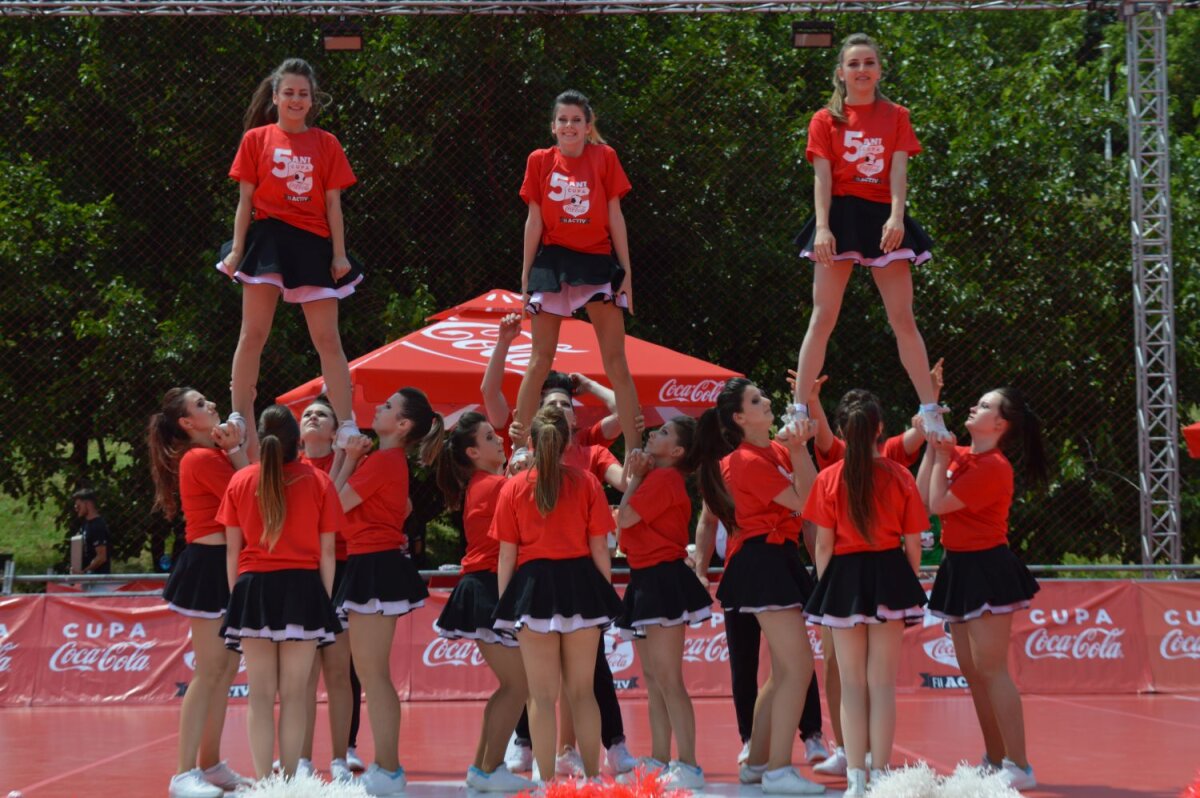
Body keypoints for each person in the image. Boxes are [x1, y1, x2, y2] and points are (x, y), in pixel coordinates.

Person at [788, 33, 947, 441]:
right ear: (840, 72)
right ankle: (798, 410)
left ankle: (931, 411)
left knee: (903, 318)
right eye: (854, 63)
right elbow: (821, 179)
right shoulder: (825, 119)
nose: (862, 70)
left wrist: (897, 218)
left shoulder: (896, 115)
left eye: (869, 62)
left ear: (879, 69)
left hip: (882, 218)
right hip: (840, 216)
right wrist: (822, 228)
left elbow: (898, 172)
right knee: (822, 316)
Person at [217, 57, 362, 459]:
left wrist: (338, 255)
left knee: (327, 338)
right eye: (290, 93)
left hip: (313, 243)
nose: (297, 100)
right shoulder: (256, 139)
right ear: (276, 97)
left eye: (304, 94)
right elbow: (245, 201)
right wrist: (237, 251)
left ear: (312, 101)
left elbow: (334, 205)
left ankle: (346, 423)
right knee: (253, 334)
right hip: (267, 242)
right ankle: (238, 417)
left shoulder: (327, 143)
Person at [694, 378, 824, 795]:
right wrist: (801, 449)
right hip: (761, 559)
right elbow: (808, 500)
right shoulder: (745, 460)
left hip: (777, 558)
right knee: (797, 667)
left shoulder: (776, 450)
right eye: (756, 400)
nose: (766, 401)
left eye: (763, 396)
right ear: (739, 417)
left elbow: (815, 493)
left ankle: (757, 761)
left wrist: (800, 444)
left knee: (786, 670)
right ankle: (778, 768)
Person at [918, 387, 1048, 792]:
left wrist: (941, 455)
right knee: (973, 673)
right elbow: (922, 497)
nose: (975, 406)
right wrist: (931, 435)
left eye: (986, 405)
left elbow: (938, 505)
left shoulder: (993, 466)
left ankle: (1020, 764)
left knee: (992, 669)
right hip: (957, 566)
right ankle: (993, 759)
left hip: (988, 567)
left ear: (1000, 424)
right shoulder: (960, 456)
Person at [802, 394, 928, 796]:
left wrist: (829, 590)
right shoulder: (900, 477)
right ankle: (882, 777)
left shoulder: (829, 478)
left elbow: (823, 545)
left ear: (840, 431)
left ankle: (856, 778)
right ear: (879, 429)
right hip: (889, 572)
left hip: (844, 578)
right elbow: (913, 543)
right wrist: (906, 582)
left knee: (852, 684)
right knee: (881, 684)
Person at [492, 405, 624, 782]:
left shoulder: (513, 487)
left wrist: (507, 604)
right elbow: (601, 547)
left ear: (530, 442)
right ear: (568, 441)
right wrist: (604, 595)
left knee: (541, 696)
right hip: (581, 586)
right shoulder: (586, 482)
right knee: (583, 692)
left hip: (532, 592)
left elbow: (507, 554)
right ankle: (595, 779)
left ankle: (545, 782)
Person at [513, 90, 642, 468]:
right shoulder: (539, 161)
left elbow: (615, 215)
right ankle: (520, 446)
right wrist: (524, 278)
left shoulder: (605, 158)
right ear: (553, 127)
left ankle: (636, 447)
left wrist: (627, 272)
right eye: (563, 120)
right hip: (553, 261)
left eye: (576, 120)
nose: (569, 126)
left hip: (597, 260)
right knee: (540, 359)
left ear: (588, 127)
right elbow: (533, 220)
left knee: (616, 359)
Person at [217, 405, 344, 780]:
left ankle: (262, 782)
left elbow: (231, 551)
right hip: (302, 589)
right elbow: (328, 552)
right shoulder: (318, 483)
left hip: (253, 588)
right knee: (294, 694)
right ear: (296, 440)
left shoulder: (240, 482)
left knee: (259, 693)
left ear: (258, 438)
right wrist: (321, 599)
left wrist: (235, 600)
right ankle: (288, 781)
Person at [332, 387, 443, 796]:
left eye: (387, 405)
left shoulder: (382, 462)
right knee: (371, 673)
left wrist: (346, 459)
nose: (378, 407)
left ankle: (389, 768)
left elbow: (333, 504)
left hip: (376, 565)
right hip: (370, 564)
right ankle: (387, 766)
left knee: (373, 674)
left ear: (403, 425)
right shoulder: (383, 461)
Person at [149, 388, 252, 798]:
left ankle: (210, 764)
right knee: (209, 673)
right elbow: (252, 494)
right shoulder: (201, 458)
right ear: (187, 424)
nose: (210, 405)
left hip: (227, 566)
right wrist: (238, 449)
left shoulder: (214, 455)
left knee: (224, 674)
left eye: (208, 400)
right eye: (199, 405)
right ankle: (182, 773)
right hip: (208, 569)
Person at [433, 412, 536, 793]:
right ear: (474, 451)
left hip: (486, 586)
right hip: (487, 587)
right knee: (518, 685)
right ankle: (488, 768)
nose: (499, 442)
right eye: (491, 438)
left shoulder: (487, 483)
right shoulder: (494, 485)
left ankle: (483, 768)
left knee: (512, 684)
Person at [614, 418, 712, 790]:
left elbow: (623, 518)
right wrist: (638, 478)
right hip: (645, 578)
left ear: (677, 452)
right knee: (654, 680)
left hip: (663, 578)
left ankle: (688, 763)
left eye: (665, 433)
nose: (655, 433)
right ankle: (658, 757)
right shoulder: (657, 479)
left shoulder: (666, 479)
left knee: (669, 679)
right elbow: (625, 532)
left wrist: (636, 477)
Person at [692, 510, 830, 772]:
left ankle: (811, 734)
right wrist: (701, 571)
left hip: (780, 569)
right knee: (745, 662)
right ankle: (751, 740)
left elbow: (810, 518)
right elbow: (707, 520)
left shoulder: (785, 471)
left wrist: (819, 570)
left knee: (794, 661)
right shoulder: (724, 474)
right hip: (740, 572)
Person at [295, 398, 361, 781]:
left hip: (342, 567)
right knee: (302, 673)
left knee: (339, 669)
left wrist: (347, 459)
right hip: (302, 569)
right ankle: (300, 756)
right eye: (307, 414)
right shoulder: (291, 467)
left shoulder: (358, 462)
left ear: (337, 431)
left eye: (322, 413)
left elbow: (331, 509)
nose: (312, 416)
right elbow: (315, 510)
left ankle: (342, 752)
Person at [70, 489, 111, 576]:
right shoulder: (86, 525)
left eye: (78, 506)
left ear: (87, 504)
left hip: (98, 580)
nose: (76, 509)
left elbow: (101, 557)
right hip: (88, 579)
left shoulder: (97, 525)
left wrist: (84, 572)